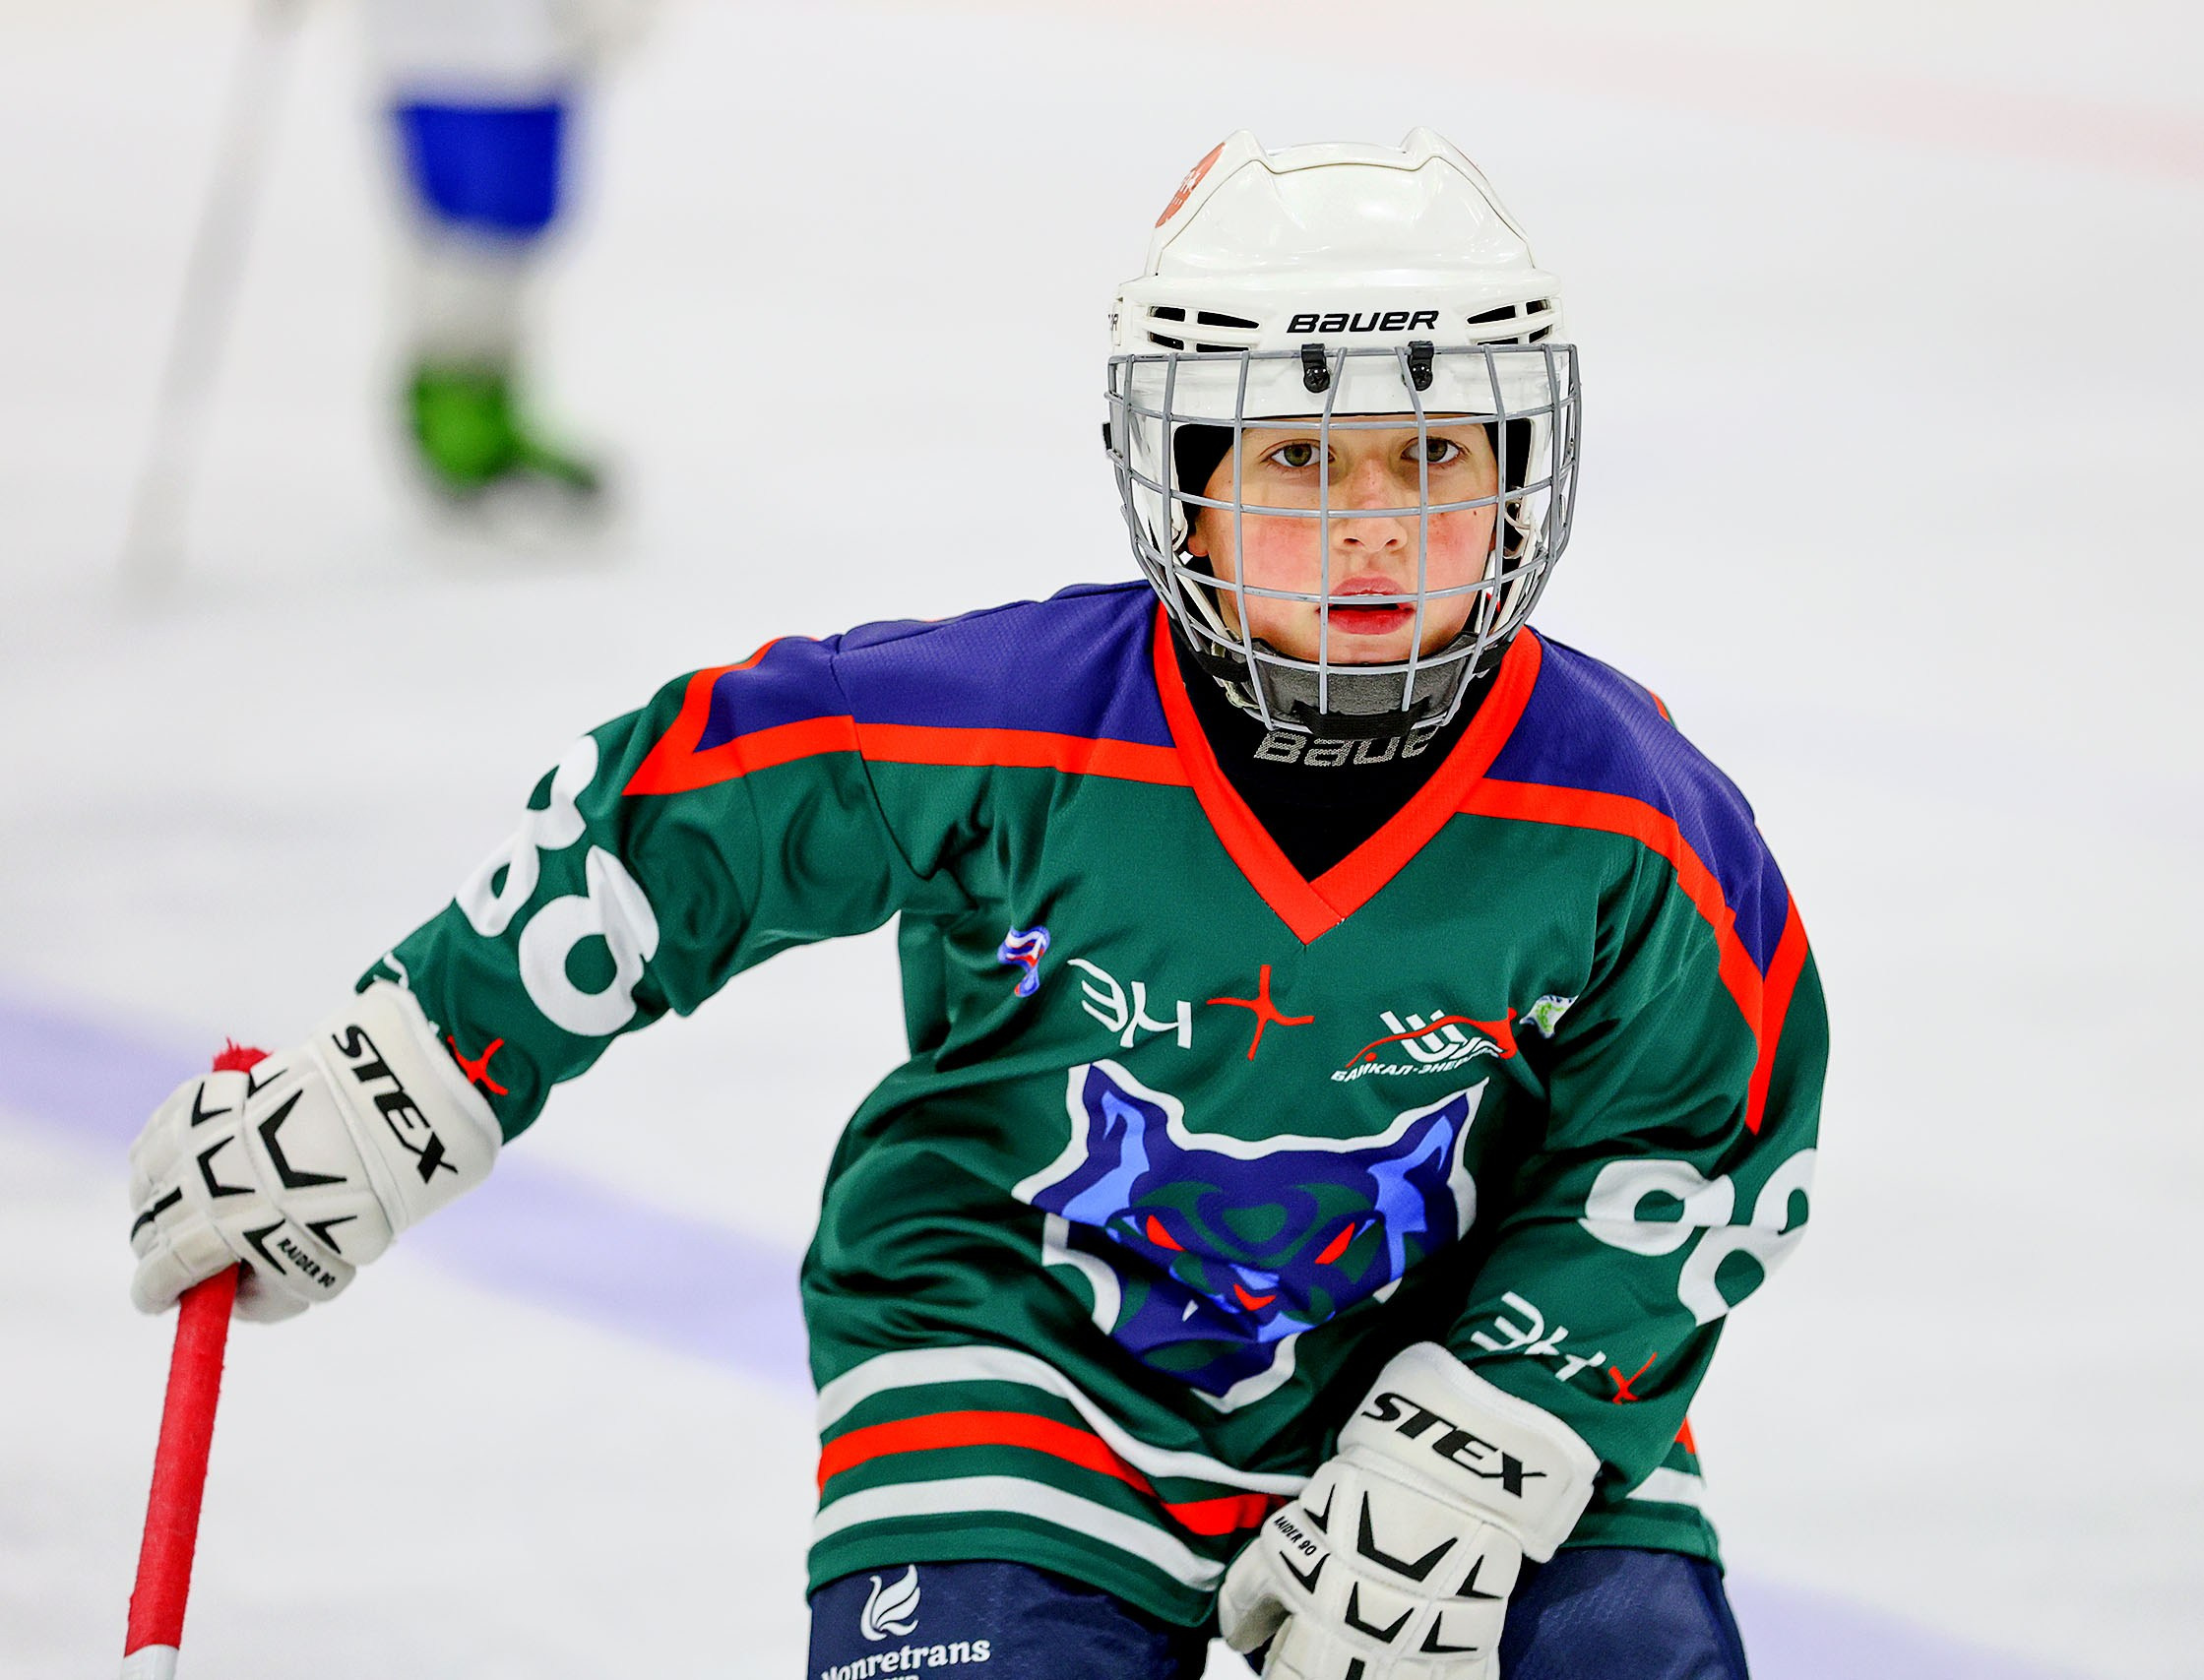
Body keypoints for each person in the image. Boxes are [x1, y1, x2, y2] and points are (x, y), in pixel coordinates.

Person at [125, 130, 1825, 1679]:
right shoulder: (1011, 724)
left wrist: (1483, 1437)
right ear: (1193, 483)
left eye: (1434, 453)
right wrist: (405, 1074)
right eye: (1305, 460)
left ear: (1520, 467)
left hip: (1444, 1339)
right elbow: (683, 823)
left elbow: (1693, 1150)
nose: (1376, 529)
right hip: (1022, 1347)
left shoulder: (1634, 822)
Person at [363, 0, 634, 509]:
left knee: (521, 221)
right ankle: (453, 413)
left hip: (537, 44)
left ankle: (495, 407)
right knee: (467, 228)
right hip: (435, 45)